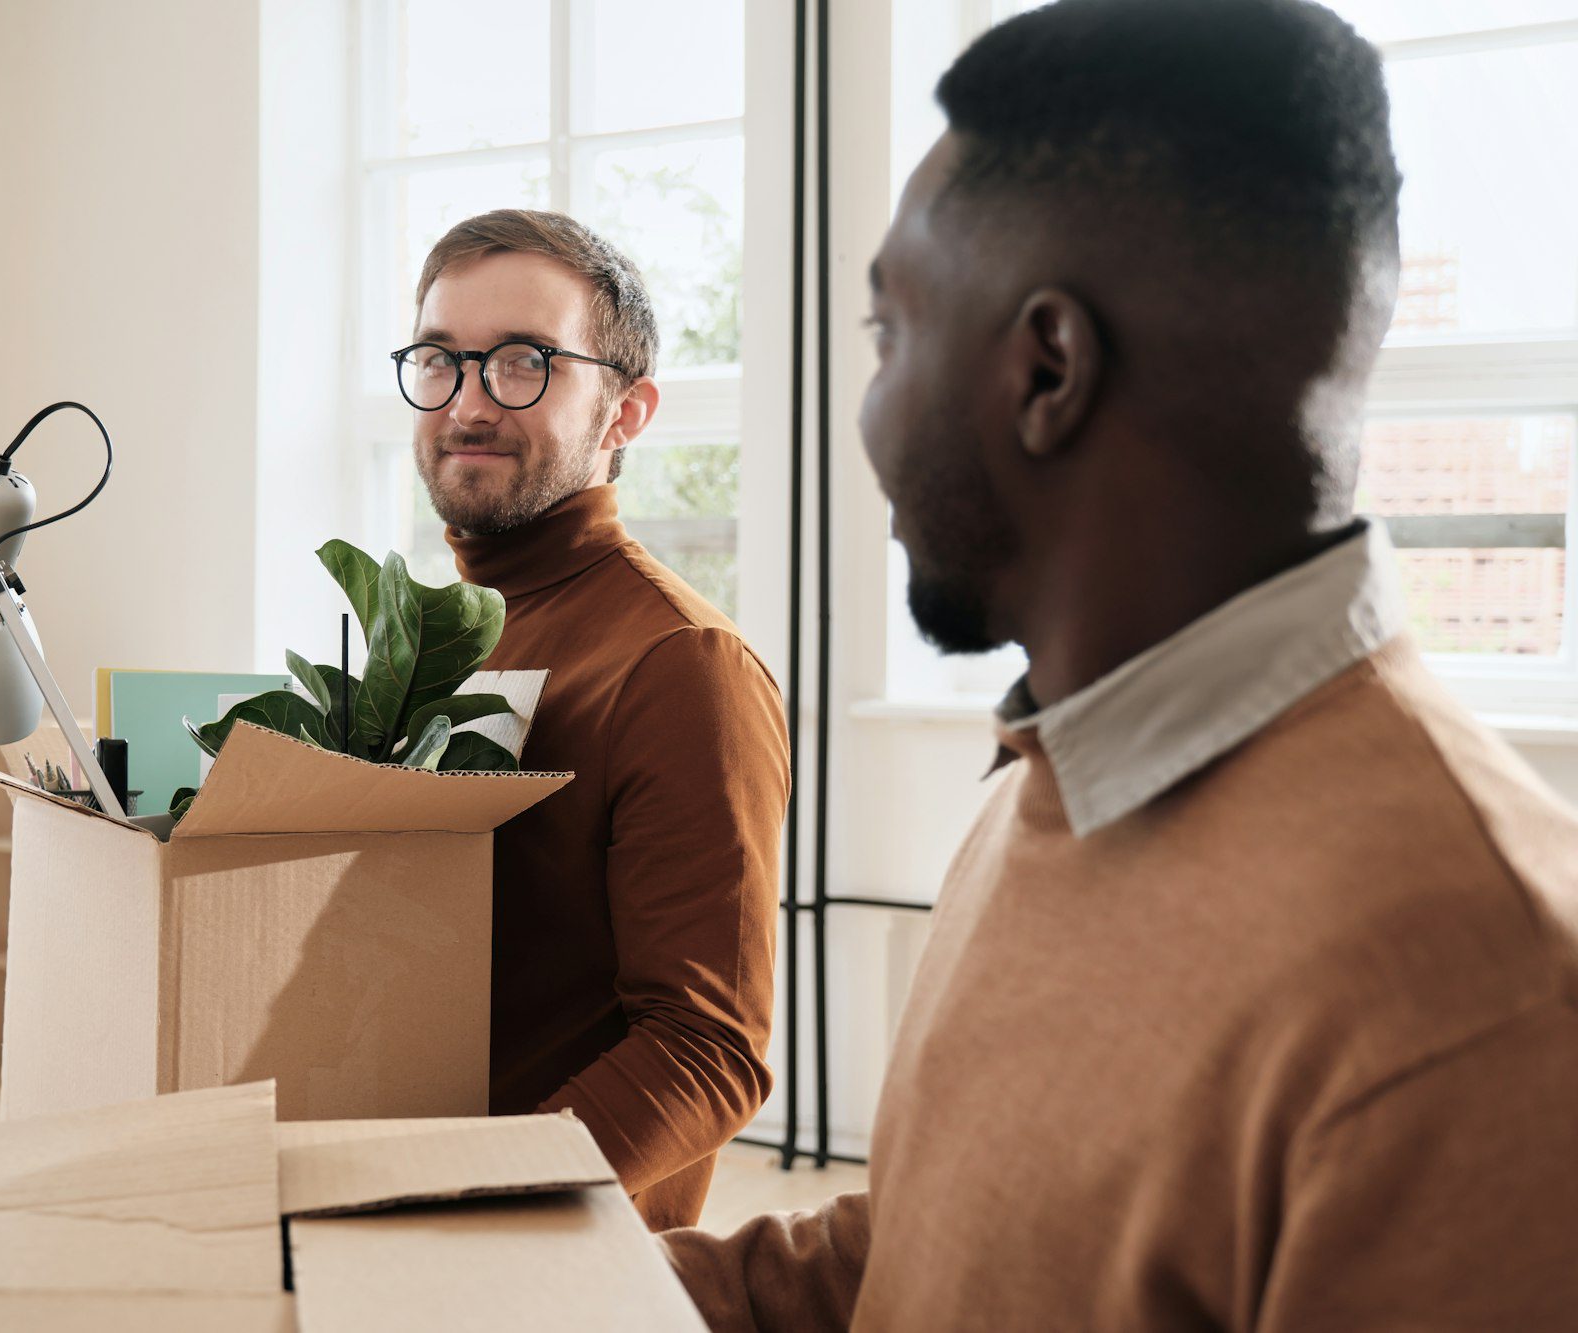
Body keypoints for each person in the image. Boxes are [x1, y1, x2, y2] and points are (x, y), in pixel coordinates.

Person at [662, 0, 1578, 1327]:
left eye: (887, 338)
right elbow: (938, 1254)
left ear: (1047, 370)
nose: (867, 414)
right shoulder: (1049, 776)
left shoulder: (1482, 1005)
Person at [402, 209, 788, 1231]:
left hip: (529, 1262)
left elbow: (707, 1054)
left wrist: (461, 1210)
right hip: (384, 1211)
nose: (469, 403)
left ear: (624, 414)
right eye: (440, 360)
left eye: (522, 362)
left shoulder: (681, 665)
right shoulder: (446, 636)